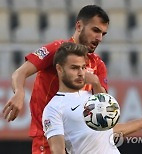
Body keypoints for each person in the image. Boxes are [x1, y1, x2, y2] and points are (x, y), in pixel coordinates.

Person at [2, 5, 109, 154]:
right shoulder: (57, 49)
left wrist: (95, 82)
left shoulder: (98, 64)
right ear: (79, 26)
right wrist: (19, 92)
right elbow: (20, 73)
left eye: (103, 34)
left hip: (79, 143)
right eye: (95, 30)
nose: (99, 38)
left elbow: (104, 112)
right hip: (48, 138)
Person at [42, 42, 142, 154]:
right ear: (59, 69)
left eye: (83, 67)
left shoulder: (90, 97)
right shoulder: (54, 108)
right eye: (74, 68)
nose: (81, 73)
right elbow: (57, 150)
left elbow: (106, 132)